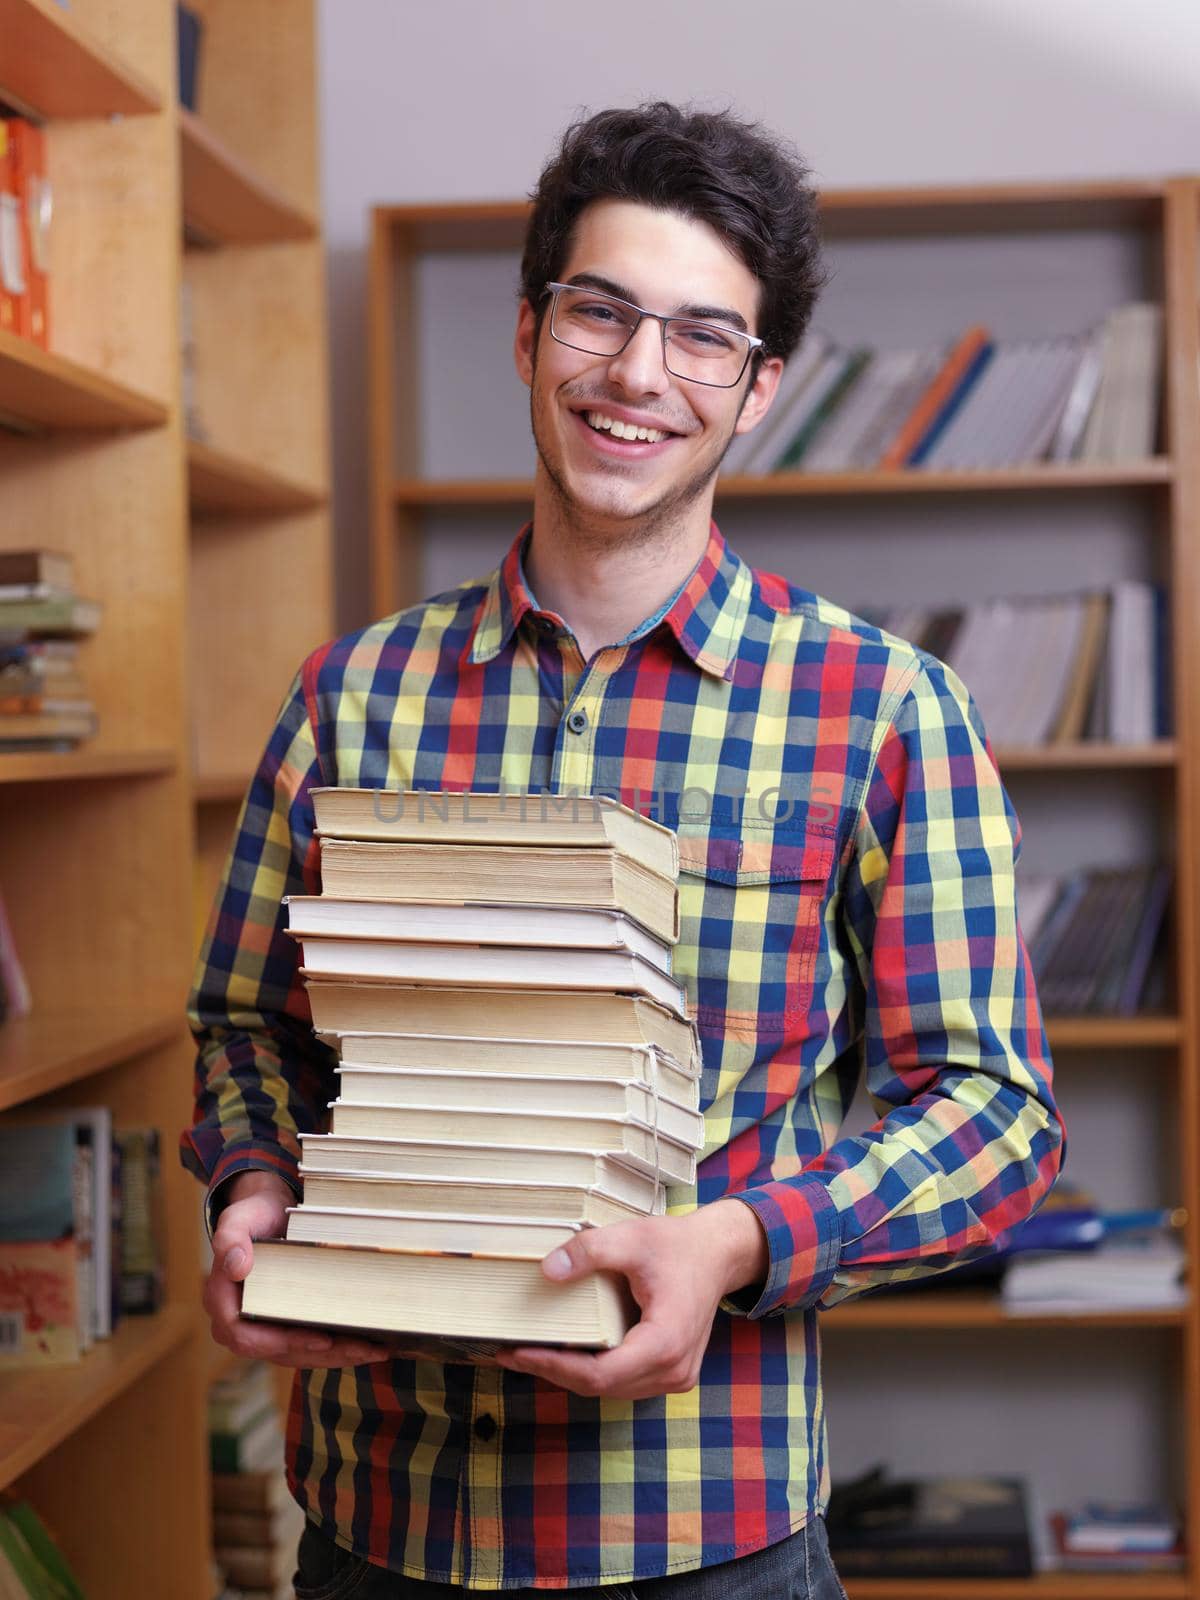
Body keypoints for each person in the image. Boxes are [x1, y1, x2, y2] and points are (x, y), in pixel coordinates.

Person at [186, 102, 1063, 1598]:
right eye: (600, 312)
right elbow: (246, 1028)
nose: (640, 373)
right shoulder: (352, 697)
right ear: (530, 335)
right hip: (373, 1532)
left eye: (703, 335)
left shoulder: (883, 711)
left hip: (702, 1543)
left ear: (760, 388)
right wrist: (254, 1186)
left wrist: (735, 1242)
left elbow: (995, 1115)